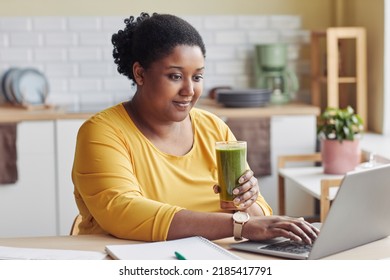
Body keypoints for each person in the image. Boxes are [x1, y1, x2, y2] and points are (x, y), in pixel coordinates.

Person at [72, 12, 319, 244]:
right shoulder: (102, 132)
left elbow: (258, 219)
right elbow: (123, 212)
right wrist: (238, 225)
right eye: (175, 76)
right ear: (140, 73)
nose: (189, 91)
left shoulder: (213, 128)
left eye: (197, 77)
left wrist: (247, 202)